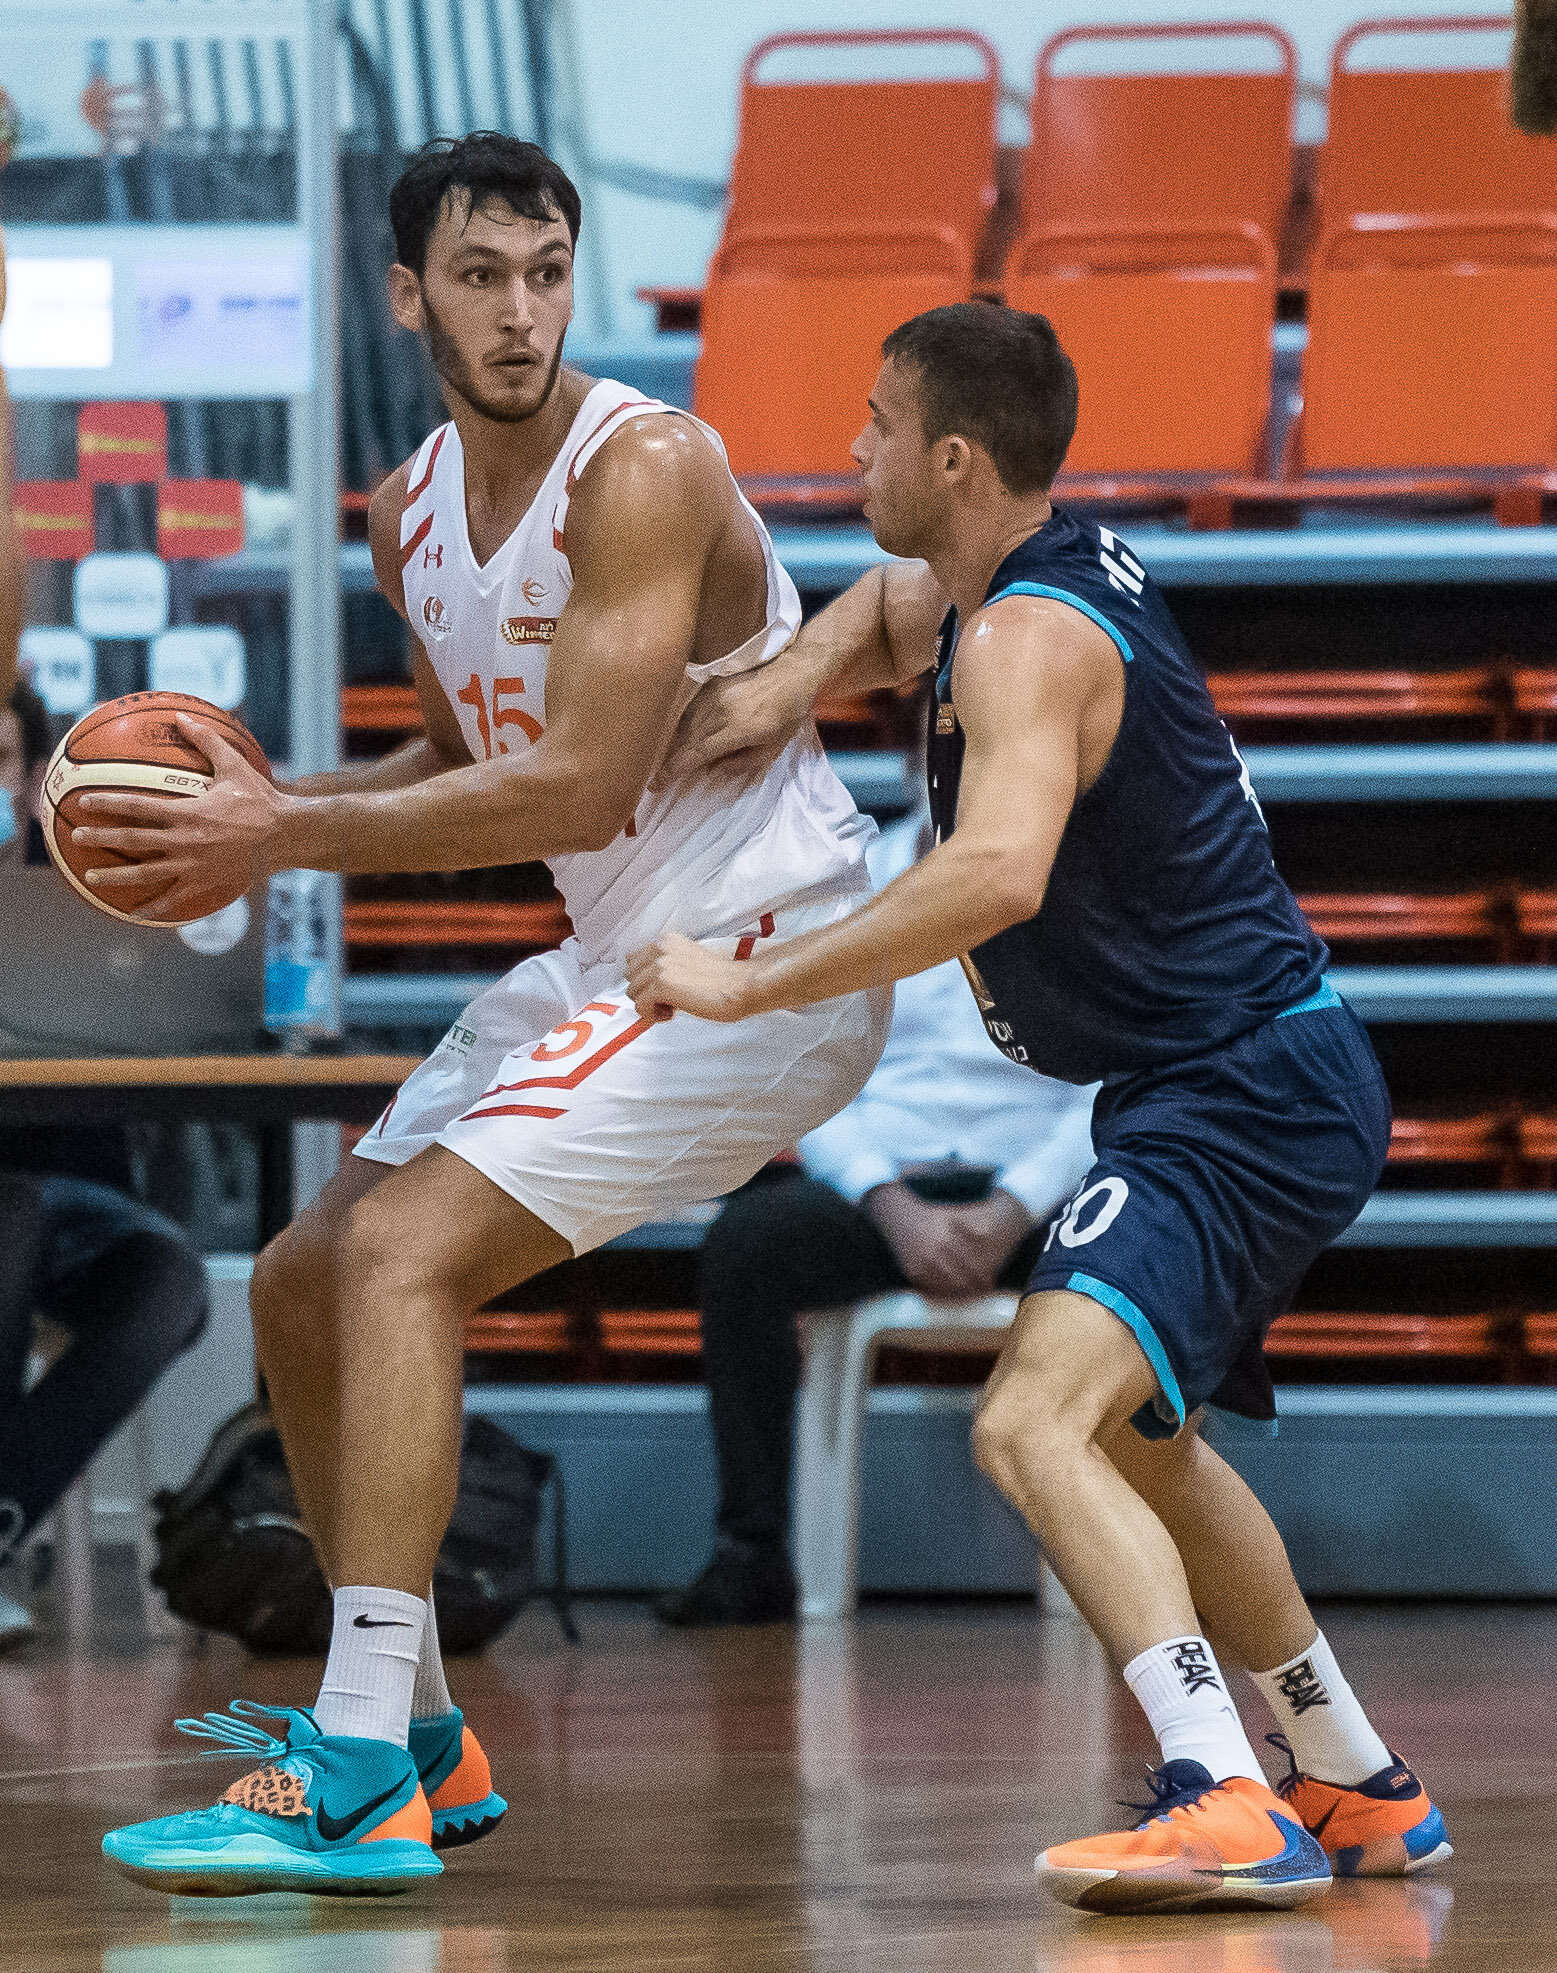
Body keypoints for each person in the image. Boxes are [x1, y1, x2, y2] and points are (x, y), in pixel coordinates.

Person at [77, 134, 888, 1898]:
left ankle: (356, 1760)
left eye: (545, 272)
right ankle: (427, 1733)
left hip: (762, 951)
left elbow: (579, 783)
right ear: (406, 294)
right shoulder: (404, 515)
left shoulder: (644, 467)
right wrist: (250, 809)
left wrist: (275, 834)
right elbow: (458, 759)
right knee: (301, 1279)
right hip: (617, 958)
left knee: (399, 1257)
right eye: (478, 275)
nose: (520, 312)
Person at [627, 304, 1448, 1914]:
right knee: (1143, 1445)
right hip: (1237, 1080)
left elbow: (995, 873)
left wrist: (744, 982)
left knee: (1027, 1423)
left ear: (951, 458)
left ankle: (1219, 1791)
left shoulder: (1023, 640)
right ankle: (1352, 1776)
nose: (850, 449)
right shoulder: (1012, 578)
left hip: (1240, 1088)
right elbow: (887, 611)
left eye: (875, 425)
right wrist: (787, 679)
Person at [659, 791, 1097, 1627]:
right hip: (886, 1186)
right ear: (913, 758)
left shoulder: (1085, 878)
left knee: (1169, 1229)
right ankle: (751, 1551)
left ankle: (1153, 1549)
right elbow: (806, 1066)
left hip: (1044, 1192)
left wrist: (1016, 1204)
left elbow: (1118, 1077)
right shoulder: (847, 887)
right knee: (745, 1244)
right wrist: (887, 1200)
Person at [0, 678, 209, 1645]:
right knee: (8, 1213)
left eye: (4, 759)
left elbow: (175, 1020)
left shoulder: (91, 890)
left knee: (171, 1284)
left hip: (83, 1204)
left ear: (32, 777)